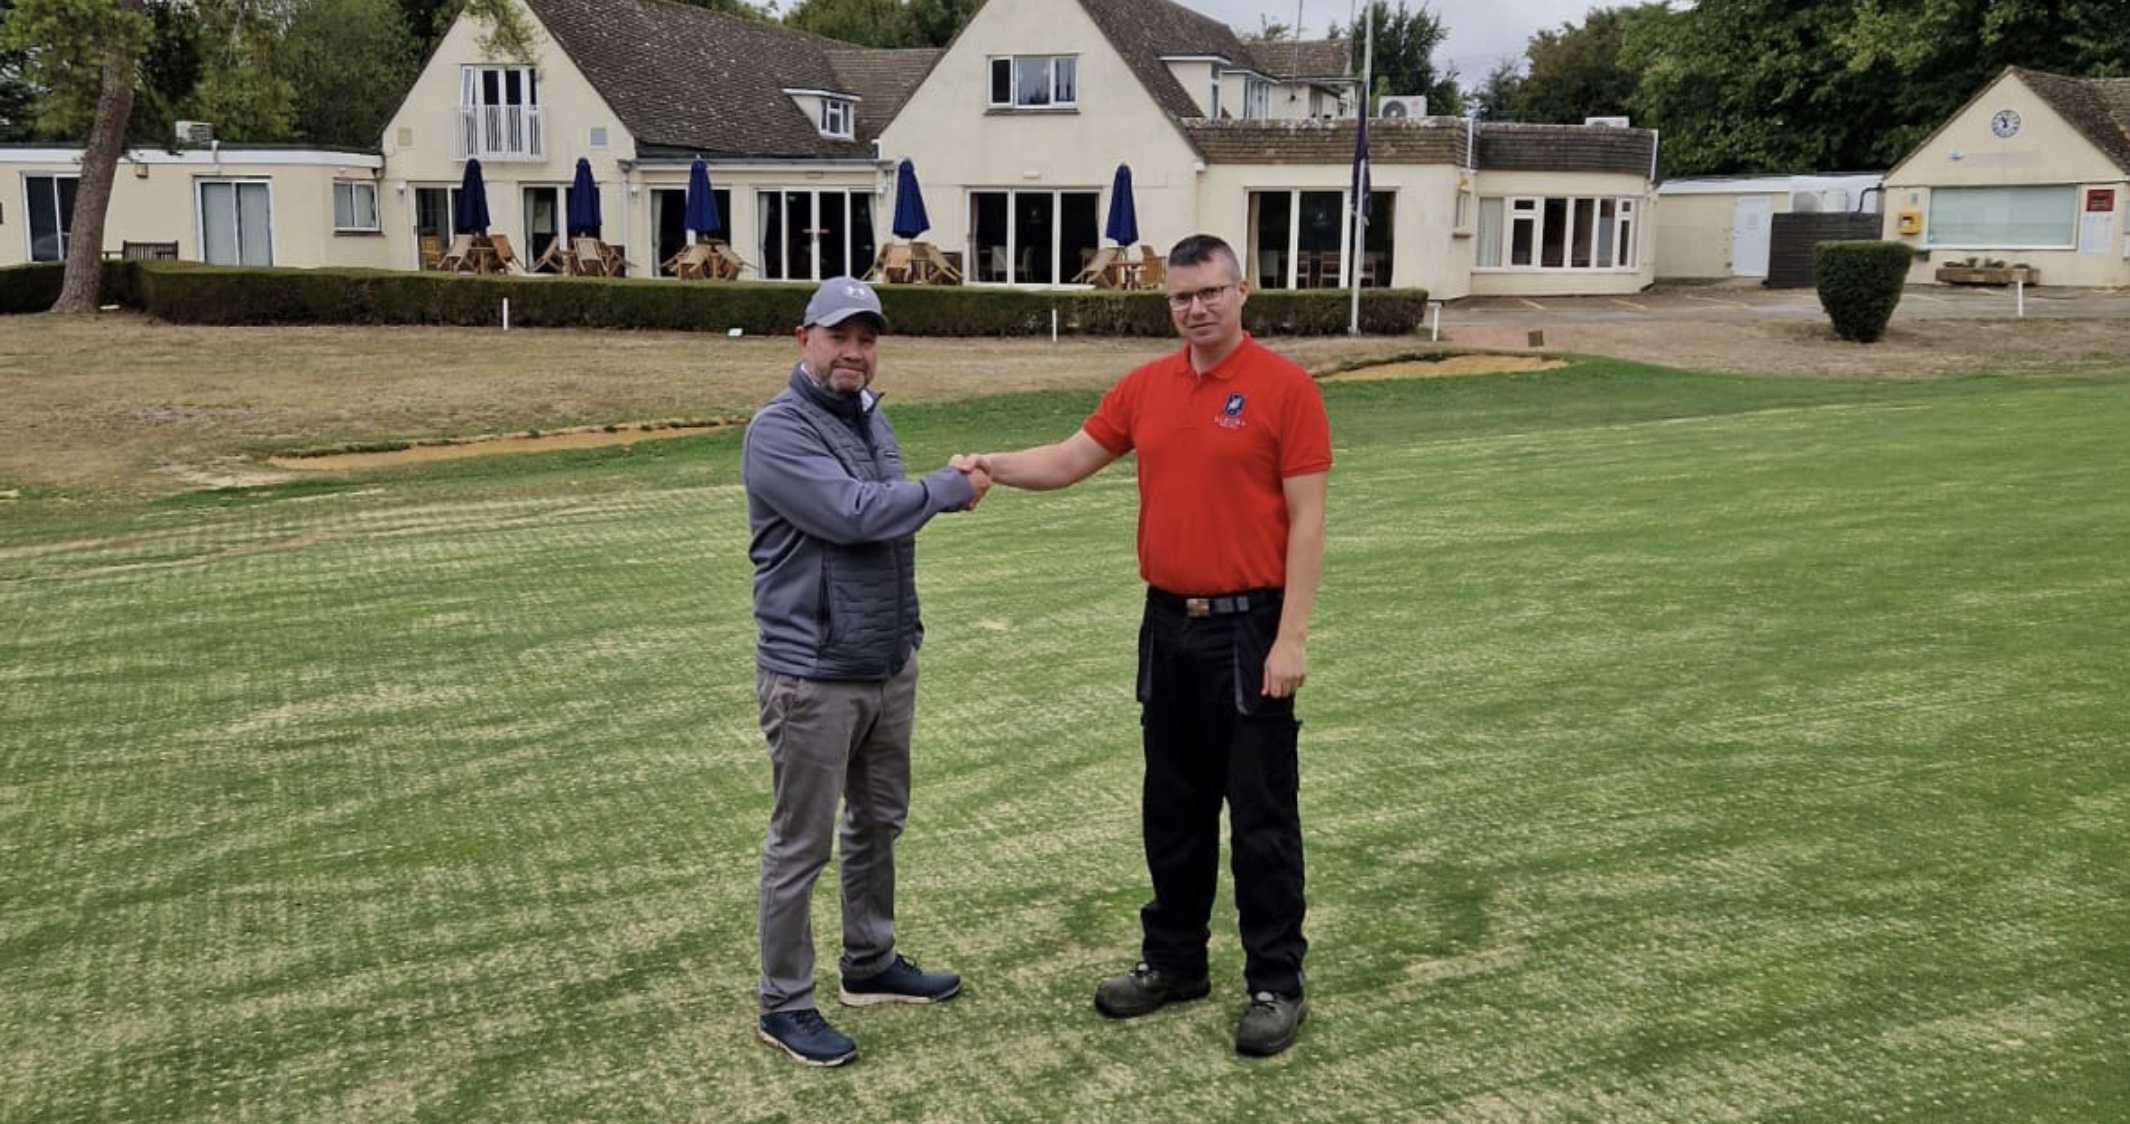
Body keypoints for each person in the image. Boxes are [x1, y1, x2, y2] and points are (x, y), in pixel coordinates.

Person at [961, 234, 1330, 1057]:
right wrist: (989, 464)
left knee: (1262, 817)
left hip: (1250, 630)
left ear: (1243, 293)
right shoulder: (1145, 387)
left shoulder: (1285, 388)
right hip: (1167, 628)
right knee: (1173, 808)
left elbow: (1308, 518)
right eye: (1181, 297)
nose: (1196, 308)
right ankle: (1175, 960)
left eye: (1210, 293)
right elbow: (1067, 461)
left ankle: (1275, 980)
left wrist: (1291, 637)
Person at [743, 276, 989, 1067]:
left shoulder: (872, 420)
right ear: (802, 339)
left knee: (879, 822)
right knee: (800, 845)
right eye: (838, 336)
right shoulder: (777, 431)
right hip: (812, 673)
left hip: (885, 661)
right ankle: (784, 1003)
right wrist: (947, 489)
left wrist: (904, 637)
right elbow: (853, 515)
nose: (854, 352)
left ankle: (870, 962)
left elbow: (887, 511)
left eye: (866, 338)